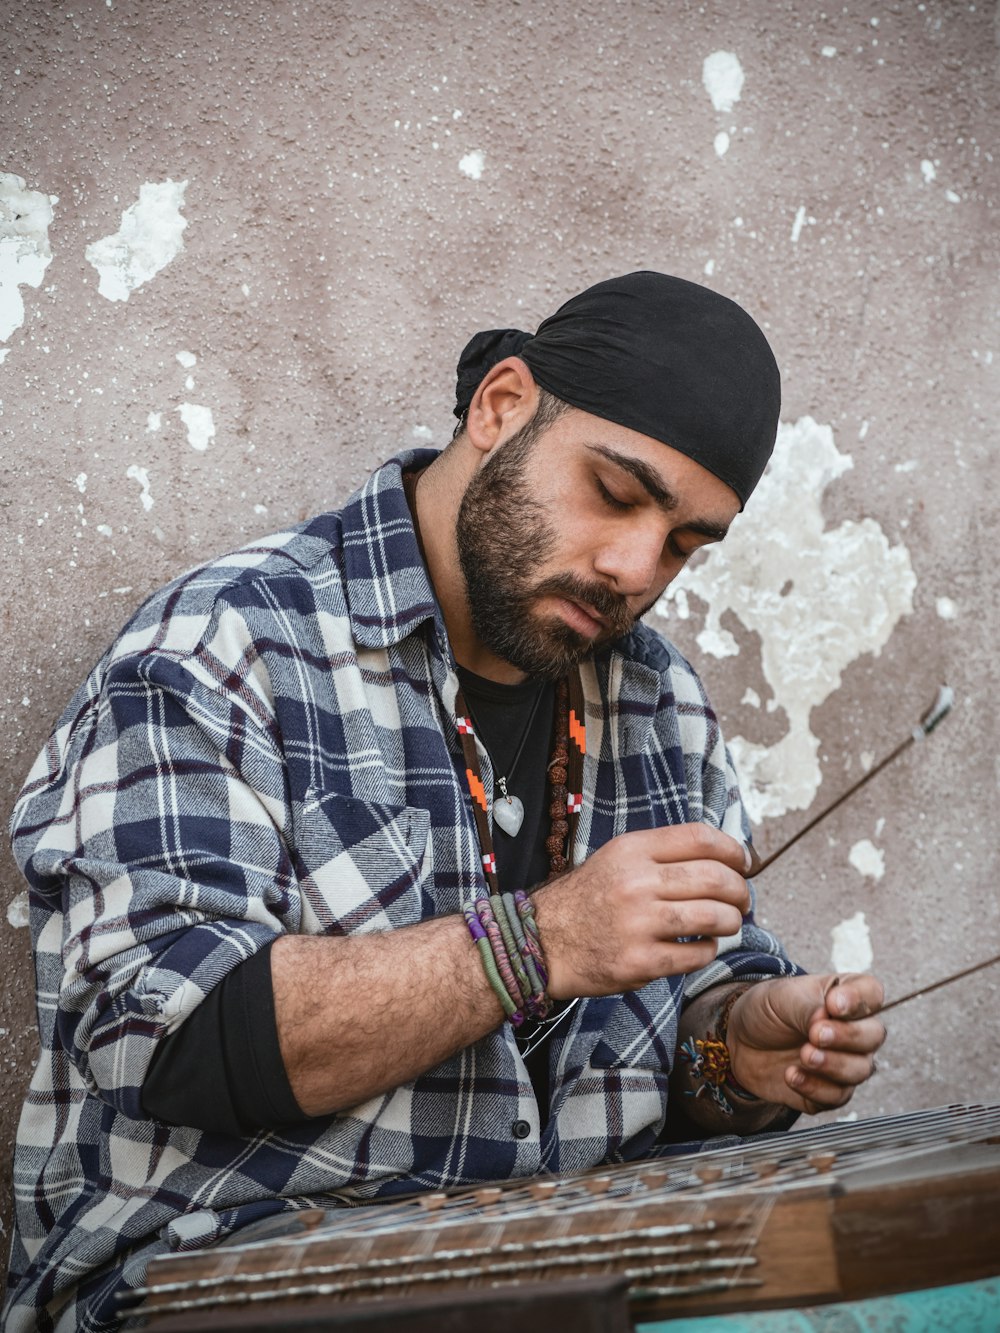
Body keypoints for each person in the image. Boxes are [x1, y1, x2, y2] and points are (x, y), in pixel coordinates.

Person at [4, 272, 885, 1332]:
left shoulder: (656, 702)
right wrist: (537, 940)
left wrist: (735, 1050)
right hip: (209, 1291)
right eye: (614, 492)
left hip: (560, 1284)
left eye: (684, 544)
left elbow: (691, 1019)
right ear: (501, 406)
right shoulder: (226, 647)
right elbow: (163, 1036)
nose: (633, 567)